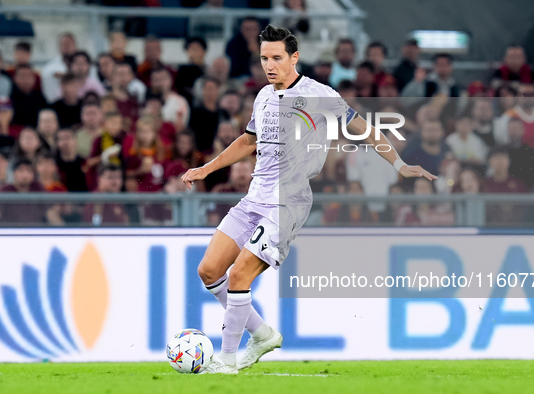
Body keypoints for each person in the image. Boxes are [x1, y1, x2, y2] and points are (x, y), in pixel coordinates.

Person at [180, 25, 437, 374]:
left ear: (294, 58)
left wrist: (400, 164)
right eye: (264, 58)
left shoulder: (319, 95)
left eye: (276, 58)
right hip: (254, 197)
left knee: (240, 274)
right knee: (209, 271)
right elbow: (247, 141)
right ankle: (263, 334)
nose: (269, 65)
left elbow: (364, 128)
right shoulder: (264, 96)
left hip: (288, 202)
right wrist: (206, 169)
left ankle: (226, 361)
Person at [0, 158, 62, 225]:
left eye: (29, 171)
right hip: (10, 234)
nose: (25, 175)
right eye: (21, 170)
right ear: (14, 173)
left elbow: (52, 214)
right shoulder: (5, 190)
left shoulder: (38, 188)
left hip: (35, 233)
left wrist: (63, 233)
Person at [150, 67, 189, 133]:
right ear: (151, 82)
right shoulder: (146, 101)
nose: (160, 83)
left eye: (163, 79)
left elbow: (180, 128)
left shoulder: (180, 101)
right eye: (156, 80)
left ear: (170, 80)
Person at [9, 64, 48, 130]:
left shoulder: (40, 97)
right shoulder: (9, 97)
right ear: (14, 78)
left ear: (34, 79)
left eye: (29, 76)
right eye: (22, 76)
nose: (26, 80)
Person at [175, 37, 207, 105]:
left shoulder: (209, 70)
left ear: (204, 51)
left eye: (197, 49)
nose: (195, 52)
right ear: (187, 52)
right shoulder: (181, 71)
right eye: (192, 49)